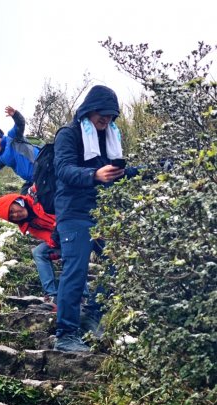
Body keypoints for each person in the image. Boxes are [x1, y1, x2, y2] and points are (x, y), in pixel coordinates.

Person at [53, 85, 138, 352]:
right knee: (75, 272)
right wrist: (93, 176)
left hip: (102, 213)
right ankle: (66, 334)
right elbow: (64, 169)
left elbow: (114, 174)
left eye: (111, 116)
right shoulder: (68, 134)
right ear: (89, 110)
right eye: (102, 114)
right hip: (74, 212)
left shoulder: (109, 137)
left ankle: (93, 314)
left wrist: (146, 171)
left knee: (120, 262)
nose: (106, 120)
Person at [0, 190, 89, 305]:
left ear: (17, 201)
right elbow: (49, 238)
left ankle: (82, 295)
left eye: (12, 210)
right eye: (11, 217)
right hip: (64, 240)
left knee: (70, 253)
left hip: (77, 228)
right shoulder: (30, 225)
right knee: (39, 252)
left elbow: (64, 207)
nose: (15, 215)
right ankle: (51, 295)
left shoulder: (39, 199)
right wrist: (53, 245)